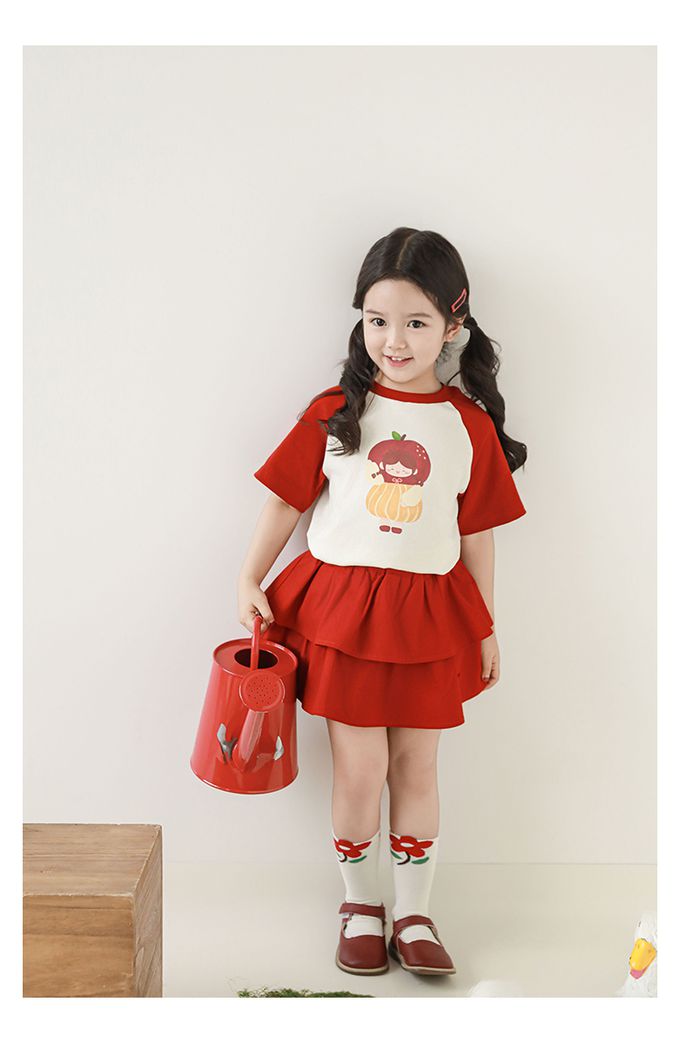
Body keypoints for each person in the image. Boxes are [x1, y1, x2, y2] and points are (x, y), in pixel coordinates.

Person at [237, 226, 527, 977]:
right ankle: (361, 905)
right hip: (343, 615)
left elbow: (477, 535)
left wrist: (487, 625)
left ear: (454, 326)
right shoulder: (338, 409)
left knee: (417, 767)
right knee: (359, 767)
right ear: (360, 319)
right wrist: (249, 577)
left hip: (431, 620)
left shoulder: (468, 426)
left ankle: (416, 912)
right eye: (378, 320)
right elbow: (285, 501)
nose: (394, 341)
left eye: (416, 322)